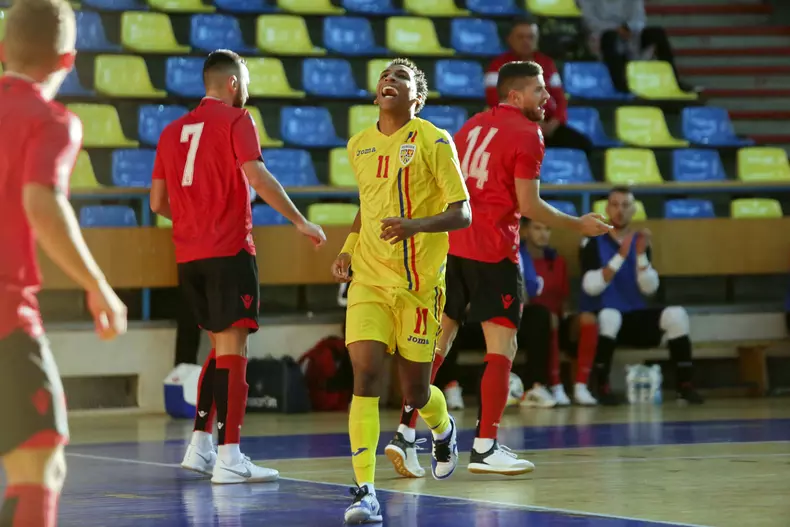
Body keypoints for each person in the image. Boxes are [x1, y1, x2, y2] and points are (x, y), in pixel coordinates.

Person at [384, 60, 611, 480]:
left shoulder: (472, 125)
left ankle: (404, 432)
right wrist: (577, 223)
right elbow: (529, 205)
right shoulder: (528, 133)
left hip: (452, 246)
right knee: (502, 348)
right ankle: (485, 445)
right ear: (515, 95)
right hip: (493, 250)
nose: (548, 97)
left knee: (435, 346)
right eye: (539, 90)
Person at [150, 49, 326, 485]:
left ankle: (200, 445)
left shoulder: (171, 131)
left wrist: (193, 221)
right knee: (235, 352)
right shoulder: (237, 119)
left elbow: (156, 203)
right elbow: (258, 176)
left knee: (220, 349)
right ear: (232, 83)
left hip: (189, 257)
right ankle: (230, 455)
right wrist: (300, 221)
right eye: (244, 81)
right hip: (228, 251)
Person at [0, 0, 128, 524]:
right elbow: (42, 200)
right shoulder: (50, 120)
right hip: (5, 315)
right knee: (40, 466)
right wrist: (97, 284)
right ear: (68, 61)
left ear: (3, 49)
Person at [331, 58, 471, 524]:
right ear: (376, 93)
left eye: (401, 77)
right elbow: (367, 206)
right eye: (384, 76)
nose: (389, 80)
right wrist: (348, 249)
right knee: (366, 376)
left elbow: (463, 212)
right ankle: (365, 491)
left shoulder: (434, 140)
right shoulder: (358, 145)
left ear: (418, 97)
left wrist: (416, 225)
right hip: (369, 280)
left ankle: (443, 427)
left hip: (418, 285)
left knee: (414, 390)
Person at [579, 187, 703, 406]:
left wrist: (640, 255)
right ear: (607, 209)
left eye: (625, 205)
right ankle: (602, 385)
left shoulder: (640, 241)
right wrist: (621, 256)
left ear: (634, 210)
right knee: (610, 316)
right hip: (606, 320)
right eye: (615, 205)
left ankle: (685, 386)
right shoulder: (592, 241)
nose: (620, 210)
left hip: (635, 316)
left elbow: (649, 289)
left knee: (677, 315)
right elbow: (591, 287)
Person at [485, 19, 592, 156]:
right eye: (520, 37)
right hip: (513, 127)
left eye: (530, 37)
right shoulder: (497, 66)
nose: (526, 41)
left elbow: (560, 99)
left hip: (547, 126)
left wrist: (554, 123)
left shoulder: (547, 64)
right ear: (510, 39)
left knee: (584, 144)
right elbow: (494, 101)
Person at [521, 218, 598, 407]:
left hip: (558, 320)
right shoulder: (519, 260)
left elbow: (564, 300)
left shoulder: (558, 261)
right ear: (525, 231)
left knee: (588, 319)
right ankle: (556, 386)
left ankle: (581, 386)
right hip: (531, 325)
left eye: (547, 229)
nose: (543, 234)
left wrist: (570, 319)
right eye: (537, 228)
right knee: (548, 318)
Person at [578, 0, 696, 93]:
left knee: (657, 33)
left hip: (631, 36)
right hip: (601, 36)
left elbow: (639, 19)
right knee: (610, 37)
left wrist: (628, 28)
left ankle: (674, 80)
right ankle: (620, 85)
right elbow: (589, 21)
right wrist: (616, 29)